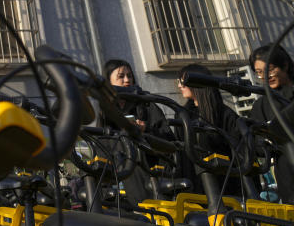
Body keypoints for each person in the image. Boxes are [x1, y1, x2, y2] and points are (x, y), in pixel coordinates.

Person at [101, 59, 171, 203]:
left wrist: (146, 131)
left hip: (150, 176)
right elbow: (102, 147)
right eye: (121, 76)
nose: (127, 80)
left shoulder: (146, 105)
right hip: (119, 182)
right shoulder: (105, 113)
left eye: (130, 75)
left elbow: (168, 139)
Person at [176, 64, 243, 196]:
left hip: (227, 189)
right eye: (178, 82)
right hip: (195, 189)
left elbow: (239, 155)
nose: (179, 86)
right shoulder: (182, 116)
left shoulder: (225, 115)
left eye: (183, 82)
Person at [248, 44, 294, 203]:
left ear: (285, 65)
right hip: (288, 177)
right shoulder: (261, 105)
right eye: (259, 73)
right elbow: (255, 142)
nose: (266, 76)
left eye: (271, 69)